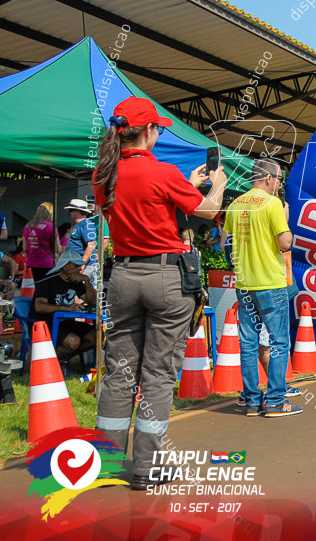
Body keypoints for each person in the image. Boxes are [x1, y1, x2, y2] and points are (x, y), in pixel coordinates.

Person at [93, 96, 227, 491]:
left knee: (119, 373)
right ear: (149, 131)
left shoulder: (104, 176)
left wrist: (183, 185)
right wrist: (215, 185)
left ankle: (106, 463)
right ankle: (148, 468)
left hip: (123, 274)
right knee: (157, 373)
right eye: (158, 129)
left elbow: (133, 210)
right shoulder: (163, 172)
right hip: (166, 277)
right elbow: (206, 211)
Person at [225, 159, 302, 419]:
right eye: (279, 179)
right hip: (270, 283)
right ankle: (276, 401)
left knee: (247, 344)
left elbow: (227, 240)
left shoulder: (234, 204)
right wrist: (286, 221)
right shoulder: (273, 204)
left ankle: (251, 400)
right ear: (268, 178)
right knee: (279, 342)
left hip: (244, 284)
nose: (279, 184)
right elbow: (284, 243)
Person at [29, 250, 96, 364]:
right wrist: (66, 308)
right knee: (73, 341)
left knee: (96, 336)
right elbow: (39, 306)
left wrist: (87, 281)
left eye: (79, 266)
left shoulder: (76, 280)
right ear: (65, 266)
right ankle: (51, 364)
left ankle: (62, 359)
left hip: (65, 322)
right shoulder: (48, 281)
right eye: (75, 266)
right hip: (44, 323)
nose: (79, 269)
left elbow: (92, 301)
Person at [65, 199, 99, 284]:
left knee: (81, 291)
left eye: (71, 210)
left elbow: (91, 245)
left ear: (78, 212)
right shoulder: (78, 225)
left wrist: (82, 264)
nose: (69, 213)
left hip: (84, 265)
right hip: (75, 264)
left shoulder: (86, 224)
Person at [24, 202, 56, 276]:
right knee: (47, 286)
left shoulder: (27, 226)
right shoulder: (51, 227)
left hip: (31, 263)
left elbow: (24, 249)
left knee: (34, 286)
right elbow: (57, 248)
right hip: (48, 263)